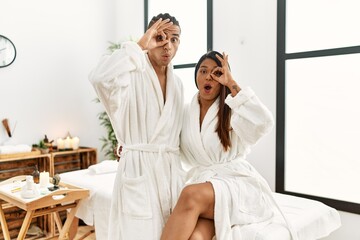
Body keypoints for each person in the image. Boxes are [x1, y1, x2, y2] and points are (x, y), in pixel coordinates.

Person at [161, 51, 298, 240]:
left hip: (236, 185)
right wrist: (127, 147)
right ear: (196, 77)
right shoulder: (185, 112)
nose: (208, 76)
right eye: (203, 71)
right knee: (196, 237)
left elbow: (264, 123)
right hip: (208, 187)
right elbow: (165, 140)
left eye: (216, 73)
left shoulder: (233, 109)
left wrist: (231, 83)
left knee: (189, 194)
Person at [89, 13, 185, 240]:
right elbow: (99, 78)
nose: (167, 45)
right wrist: (139, 46)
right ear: (150, 38)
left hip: (170, 172)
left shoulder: (178, 84)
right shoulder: (131, 74)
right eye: (160, 37)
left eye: (174, 39)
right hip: (139, 171)